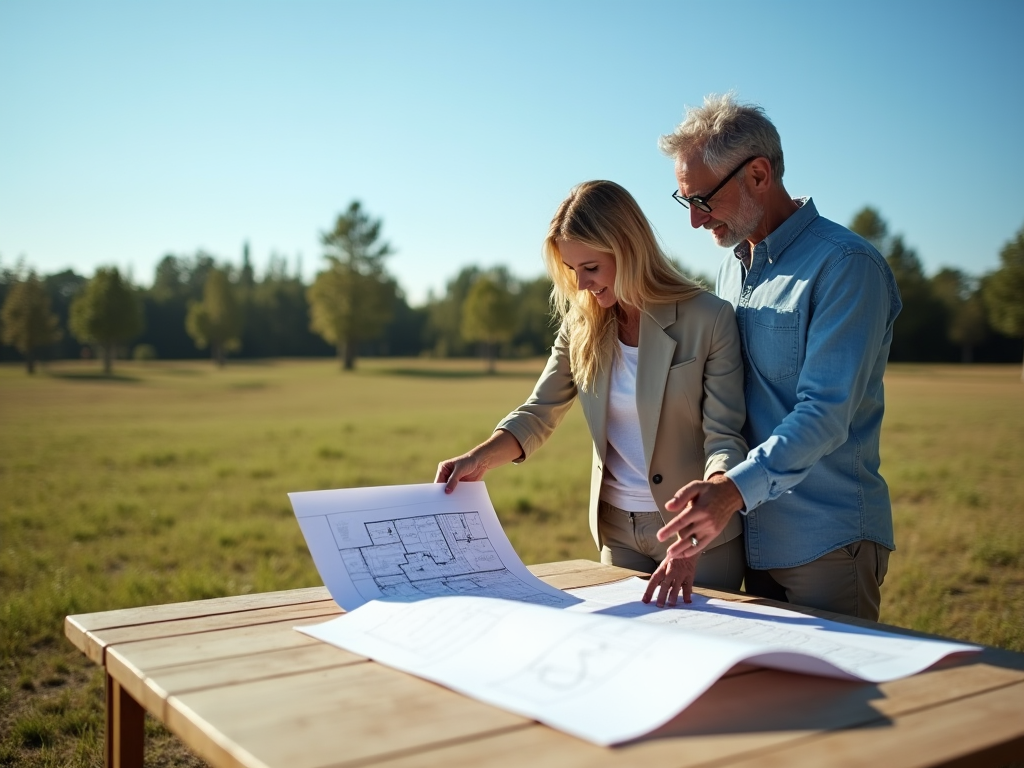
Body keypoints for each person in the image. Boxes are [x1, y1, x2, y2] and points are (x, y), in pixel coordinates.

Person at [649, 94, 902, 621]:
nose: (695, 221)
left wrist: (730, 494)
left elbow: (825, 412)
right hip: (743, 537)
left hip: (824, 545)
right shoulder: (730, 269)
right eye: (685, 200)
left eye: (703, 199)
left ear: (759, 174)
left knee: (838, 702)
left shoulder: (845, 266)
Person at [435, 180, 747, 606]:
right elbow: (539, 411)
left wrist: (700, 521)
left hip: (698, 539)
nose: (581, 285)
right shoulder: (581, 327)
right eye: (572, 270)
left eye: (592, 268)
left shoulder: (709, 318)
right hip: (616, 532)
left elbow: (725, 437)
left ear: (627, 249)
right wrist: (479, 457)